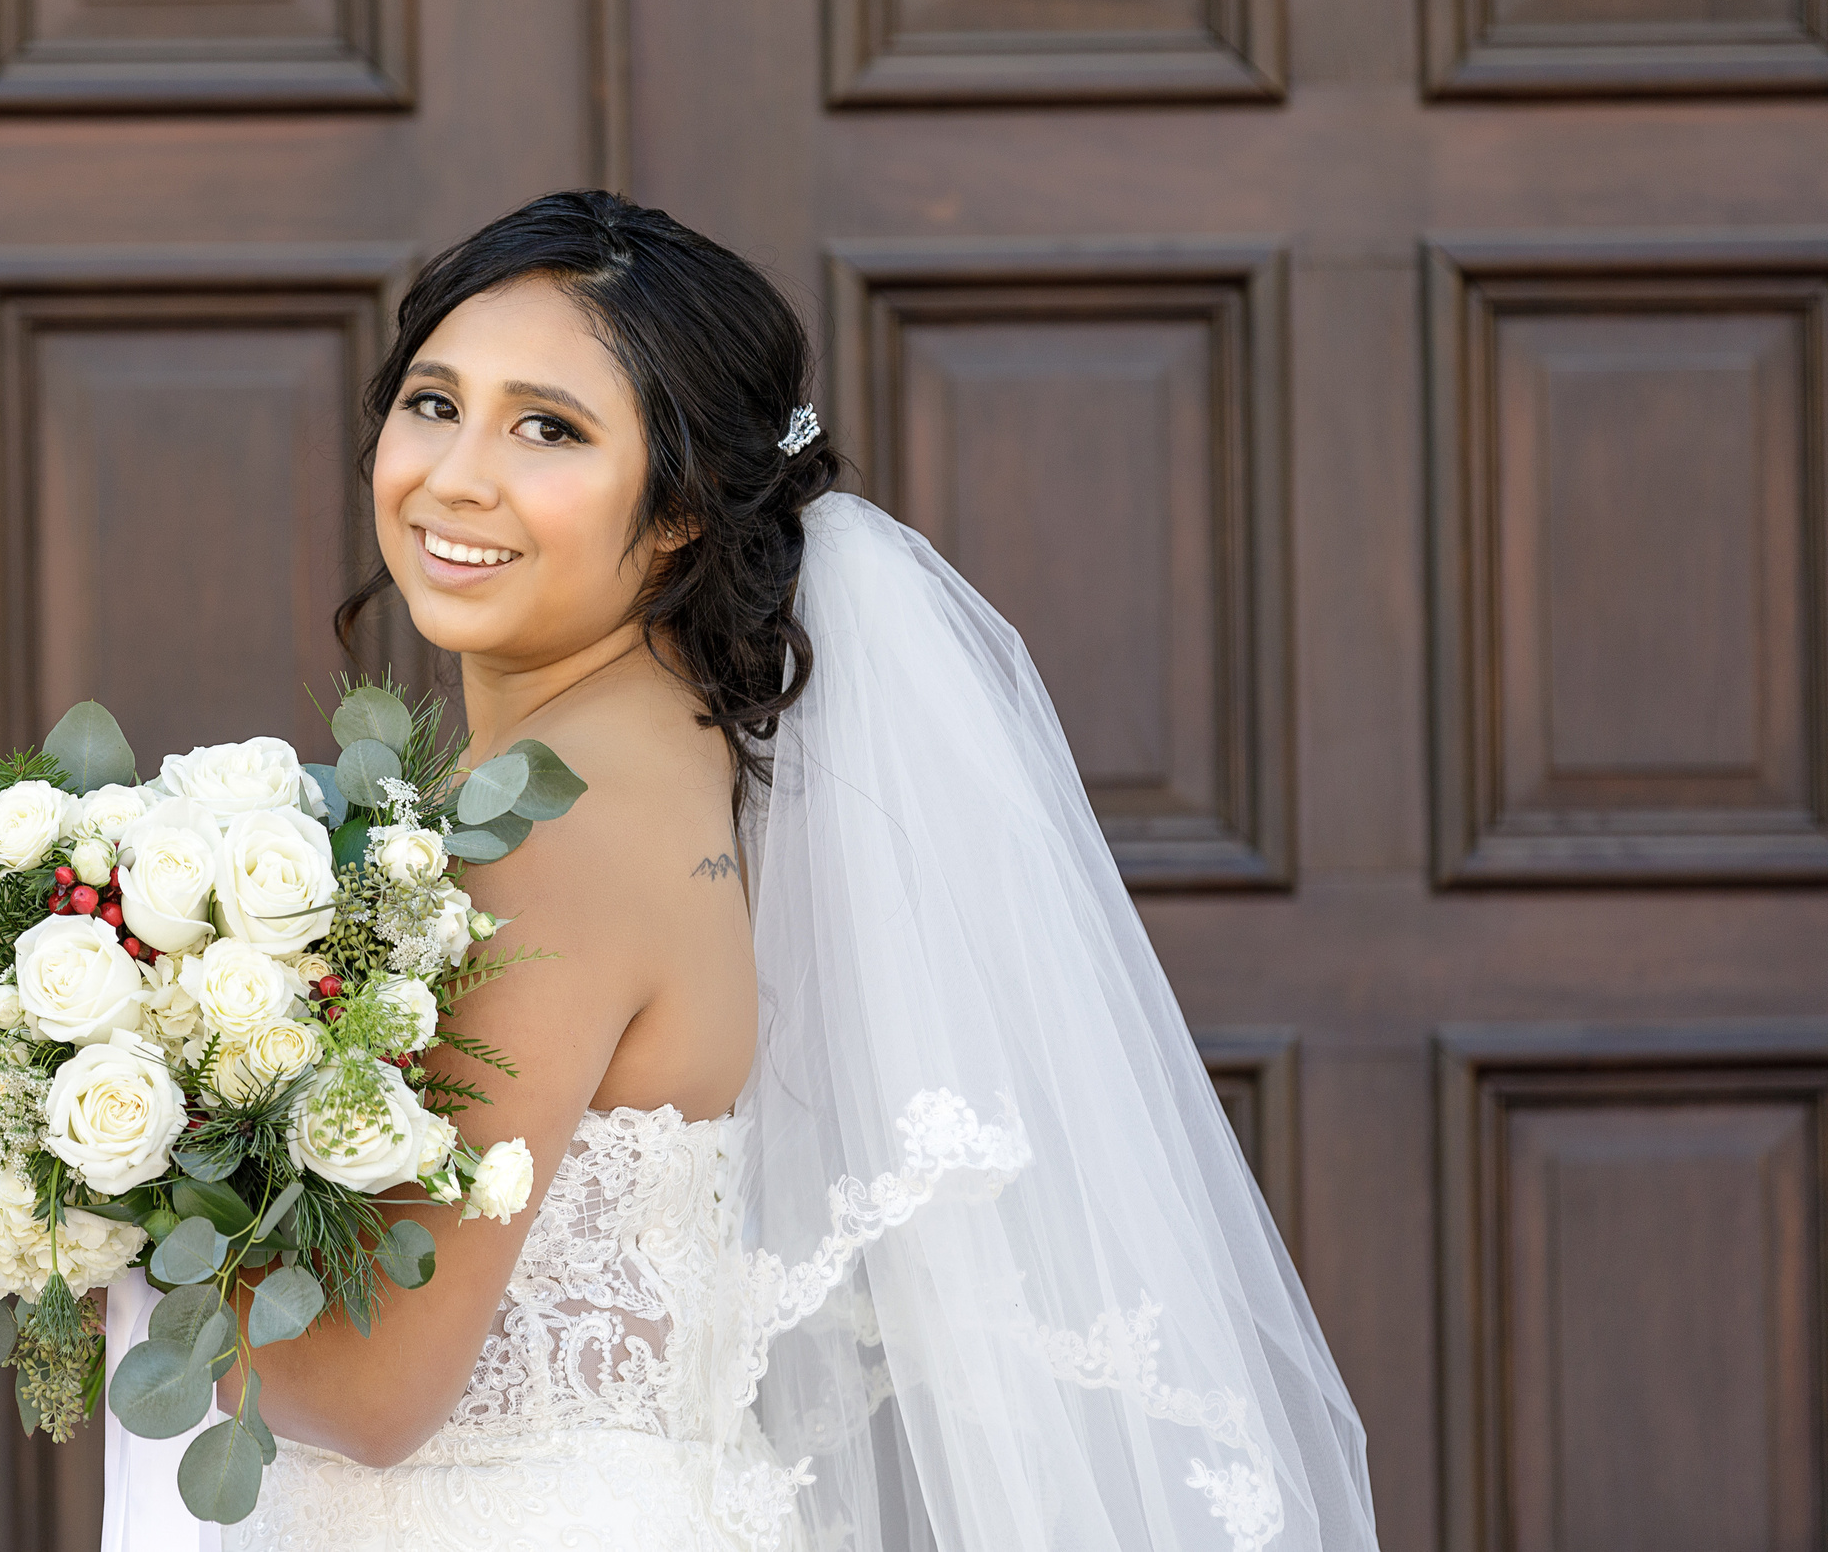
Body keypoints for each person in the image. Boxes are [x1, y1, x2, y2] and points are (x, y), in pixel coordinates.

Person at [119, 191, 1380, 1552]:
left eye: (550, 428)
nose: (456, 476)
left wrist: (80, 1202)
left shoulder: (545, 824)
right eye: (434, 402)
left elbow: (375, 1391)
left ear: (678, 516)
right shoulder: (668, 755)